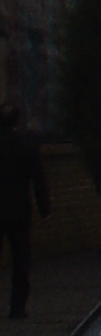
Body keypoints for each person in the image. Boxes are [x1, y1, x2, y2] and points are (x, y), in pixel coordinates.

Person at [0, 103, 52, 319]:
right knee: (21, 261)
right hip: (18, 210)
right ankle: (17, 307)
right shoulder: (26, 144)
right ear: (17, 120)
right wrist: (44, 209)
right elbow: (38, 179)